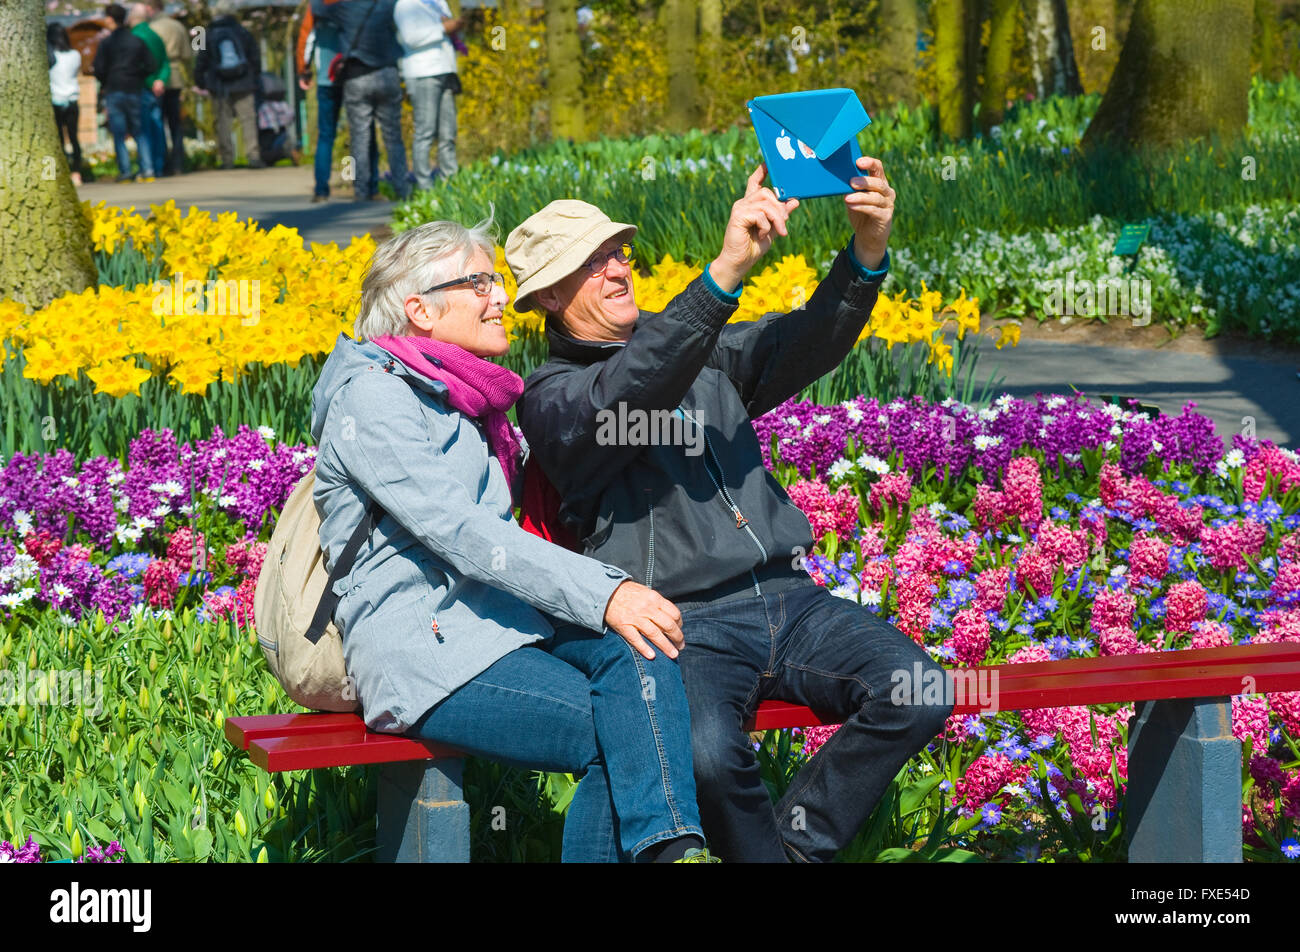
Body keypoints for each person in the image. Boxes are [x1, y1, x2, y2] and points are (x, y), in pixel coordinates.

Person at [509, 160, 954, 862]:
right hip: (689, 625)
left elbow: (805, 338)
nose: (619, 269)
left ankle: (793, 849)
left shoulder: (701, 349)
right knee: (708, 758)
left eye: (618, 252)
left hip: (792, 601)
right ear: (548, 297)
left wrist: (866, 253)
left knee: (921, 688)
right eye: (591, 264)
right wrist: (722, 275)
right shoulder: (552, 396)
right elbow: (629, 392)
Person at [309, 218, 715, 862]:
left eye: (495, 278)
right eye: (478, 282)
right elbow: (459, 530)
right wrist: (606, 591)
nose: (500, 295)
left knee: (639, 650)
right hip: (428, 651)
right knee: (623, 736)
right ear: (419, 309)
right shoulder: (374, 399)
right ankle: (671, 851)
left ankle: (670, 846)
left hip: (492, 626)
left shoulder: (466, 398)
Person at [310, 0, 410, 202]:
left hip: (357, 76)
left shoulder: (344, 7)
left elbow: (317, 7)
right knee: (393, 138)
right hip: (387, 73)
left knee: (360, 137)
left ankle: (362, 191)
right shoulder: (386, 4)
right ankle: (403, 190)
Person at [296, 0, 378, 202]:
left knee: (326, 135)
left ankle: (321, 190)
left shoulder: (316, 5)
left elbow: (306, 38)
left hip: (327, 77)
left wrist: (303, 70)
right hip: (356, 74)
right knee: (364, 131)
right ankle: (369, 186)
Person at [393, 0, 460, 189]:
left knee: (448, 133)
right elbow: (410, 38)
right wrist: (442, 29)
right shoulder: (405, 5)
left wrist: (454, 28)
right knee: (425, 132)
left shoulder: (438, 2)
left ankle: (451, 183)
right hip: (423, 73)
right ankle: (424, 187)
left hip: (445, 70)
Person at [194, 0, 264, 169]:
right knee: (248, 119)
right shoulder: (242, 31)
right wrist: (254, 77)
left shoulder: (206, 33)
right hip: (244, 82)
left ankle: (227, 159)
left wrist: (200, 81)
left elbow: (201, 60)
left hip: (219, 84)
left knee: (223, 122)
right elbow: (255, 56)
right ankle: (253, 155)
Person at [92, 3, 157, 182]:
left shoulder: (106, 43)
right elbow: (151, 65)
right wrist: (138, 75)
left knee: (119, 133)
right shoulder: (136, 40)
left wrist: (105, 81)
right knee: (140, 130)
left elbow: (98, 68)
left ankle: (126, 172)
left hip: (114, 89)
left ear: (110, 19)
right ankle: (148, 169)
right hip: (134, 89)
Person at [142, 0, 192, 175]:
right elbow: (187, 53)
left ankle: (162, 162)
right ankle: (178, 162)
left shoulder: (151, 28)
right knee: (176, 124)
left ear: (151, 8)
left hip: (157, 77)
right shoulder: (178, 26)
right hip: (176, 76)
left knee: (158, 121)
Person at [126, 2, 169, 181]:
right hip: (157, 89)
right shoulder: (154, 35)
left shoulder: (134, 36)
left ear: (133, 18)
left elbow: (138, 66)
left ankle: (147, 167)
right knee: (158, 127)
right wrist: (160, 80)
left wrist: (150, 82)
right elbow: (165, 62)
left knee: (143, 131)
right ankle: (159, 166)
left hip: (142, 88)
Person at [47, 23, 84, 185]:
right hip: (72, 100)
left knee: (59, 139)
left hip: (55, 100)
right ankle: (77, 172)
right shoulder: (75, 55)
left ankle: (61, 172)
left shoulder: (49, 57)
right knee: (74, 138)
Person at [256, 72, 302, 166]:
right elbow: (291, 115)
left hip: (266, 132)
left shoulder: (263, 106)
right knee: (277, 146)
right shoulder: (283, 104)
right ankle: (289, 152)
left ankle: (284, 154)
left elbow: (259, 121)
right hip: (282, 130)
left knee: (264, 153)